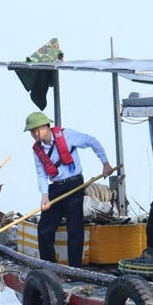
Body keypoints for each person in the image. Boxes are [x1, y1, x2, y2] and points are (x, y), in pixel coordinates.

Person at [24, 111, 114, 267]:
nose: (34, 134)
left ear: (46, 126)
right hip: (56, 188)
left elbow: (91, 141)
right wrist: (44, 196)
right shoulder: (37, 150)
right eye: (31, 131)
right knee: (44, 228)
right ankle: (50, 267)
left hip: (74, 185)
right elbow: (41, 175)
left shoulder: (66, 135)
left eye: (36, 130)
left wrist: (105, 163)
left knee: (74, 228)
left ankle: (74, 268)